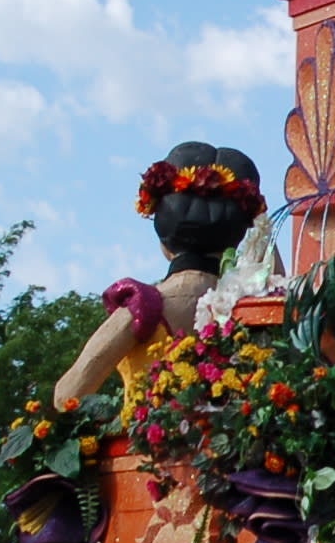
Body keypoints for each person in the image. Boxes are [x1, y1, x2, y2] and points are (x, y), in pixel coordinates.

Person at [54, 143, 267, 409]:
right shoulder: (253, 310)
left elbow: (67, 395)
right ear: (237, 237)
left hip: (147, 446)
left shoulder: (143, 306)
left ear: (164, 239)